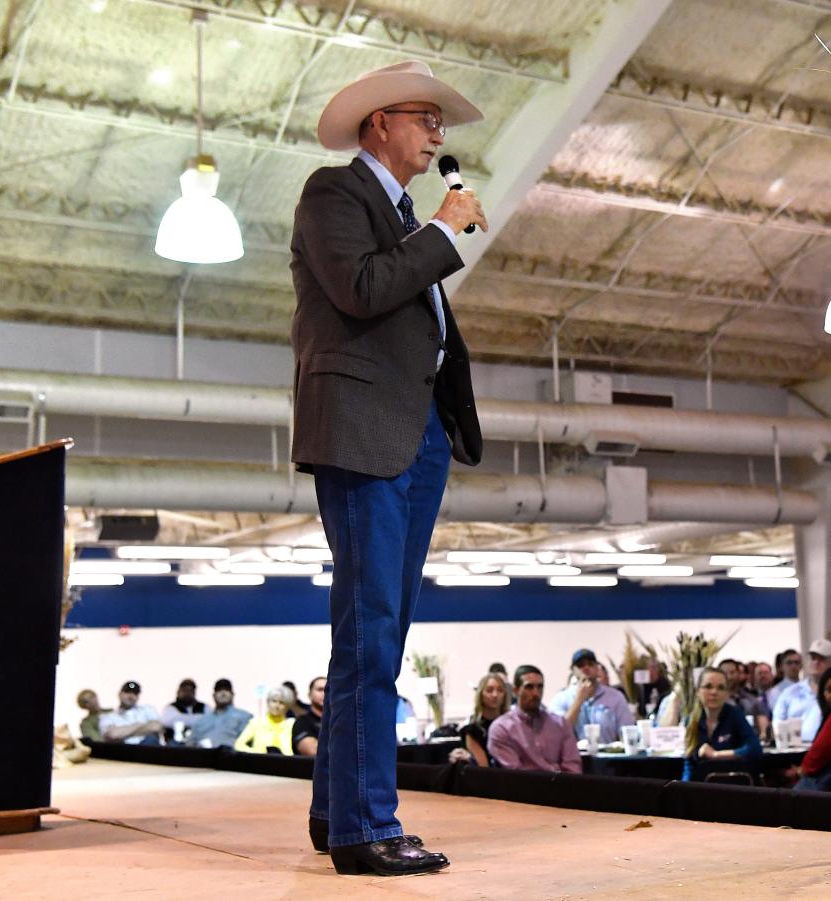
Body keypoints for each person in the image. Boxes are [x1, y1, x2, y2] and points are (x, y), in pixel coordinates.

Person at [292, 59, 487, 878]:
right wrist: (441, 232)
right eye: (425, 118)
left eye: (440, 123)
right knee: (370, 635)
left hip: (415, 431)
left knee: (377, 634)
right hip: (366, 430)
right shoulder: (334, 194)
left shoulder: (402, 211)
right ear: (378, 123)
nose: (438, 134)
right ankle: (366, 828)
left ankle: (339, 810)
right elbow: (363, 288)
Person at [487, 666, 581, 774]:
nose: (536, 693)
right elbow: (516, 774)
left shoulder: (560, 724)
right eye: (529, 687)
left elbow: (573, 767)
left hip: (561, 787)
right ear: (516, 690)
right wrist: (554, 771)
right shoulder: (502, 728)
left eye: (540, 687)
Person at [682, 666, 762, 782]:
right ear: (698, 691)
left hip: (734, 785)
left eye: (721, 688)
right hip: (702, 788)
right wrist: (683, 788)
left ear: (727, 693)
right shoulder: (691, 720)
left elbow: (755, 749)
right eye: (708, 686)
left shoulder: (735, 715)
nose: (714, 692)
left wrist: (716, 755)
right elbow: (689, 763)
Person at [549, 648, 635, 743]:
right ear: (573, 671)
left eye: (590, 664)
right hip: (574, 756)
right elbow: (558, 732)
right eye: (581, 665)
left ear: (597, 668)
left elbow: (627, 731)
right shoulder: (561, 698)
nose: (586, 668)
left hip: (607, 755)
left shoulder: (615, 697)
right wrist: (579, 699)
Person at [772, 638, 831, 742]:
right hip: (795, 751)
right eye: (813, 658)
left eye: (822, 659)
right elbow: (778, 722)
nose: (816, 662)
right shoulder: (790, 692)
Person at [455, 672, 509, 766]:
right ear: (481, 695)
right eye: (489, 690)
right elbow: (483, 767)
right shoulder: (473, 731)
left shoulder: (511, 726)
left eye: (500, 690)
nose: (495, 695)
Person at [188, 678, 253, 748]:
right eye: (219, 690)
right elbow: (190, 743)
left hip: (231, 757)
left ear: (232, 694)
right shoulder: (201, 721)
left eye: (227, 690)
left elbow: (248, 744)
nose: (223, 693)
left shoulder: (244, 717)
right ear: (214, 695)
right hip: (203, 756)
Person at [235, 686, 296, 755]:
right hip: (261, 762)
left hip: (287, 763)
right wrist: (257, 754)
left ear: (287, 706)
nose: (277, 705)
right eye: (274, 701)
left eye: (281, 703)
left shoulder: (292, 724)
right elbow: (239, 745)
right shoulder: (256, 722)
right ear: (268, 702)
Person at [719, 658, 771, 740]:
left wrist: (763, 733)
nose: (729, 677)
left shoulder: (752, 700)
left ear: (738, 673)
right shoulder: (716, 701)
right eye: (724, 673)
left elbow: (762, 720)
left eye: (732, 672)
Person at [99, 681, 164, 745]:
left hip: (147, 748)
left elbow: (156, 727)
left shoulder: (147, 709)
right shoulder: (109, 716)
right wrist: (139, 725)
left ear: (138, 697)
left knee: (151, 739)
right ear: (120, 694)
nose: (131, 696)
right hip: (123, 750)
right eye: (127, 692)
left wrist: (123, 732)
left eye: (134, 693)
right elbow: (113, 735)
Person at [160, 678, 205, 742]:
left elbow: (210, 721)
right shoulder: (170, 707)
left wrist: (181, 718)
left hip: (198, 744)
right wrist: (198, 718)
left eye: (191, 690)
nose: (188, 693)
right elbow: (168, 721)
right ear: (178, 692)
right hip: (175, 745)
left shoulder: (204, 707)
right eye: (185, 690)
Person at [294, 677, 326, 757]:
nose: (324, 693)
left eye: (327, 690)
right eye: (320, 689)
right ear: (310, 695)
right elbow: (314, 751)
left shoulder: (339, 721)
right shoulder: (302, 722)